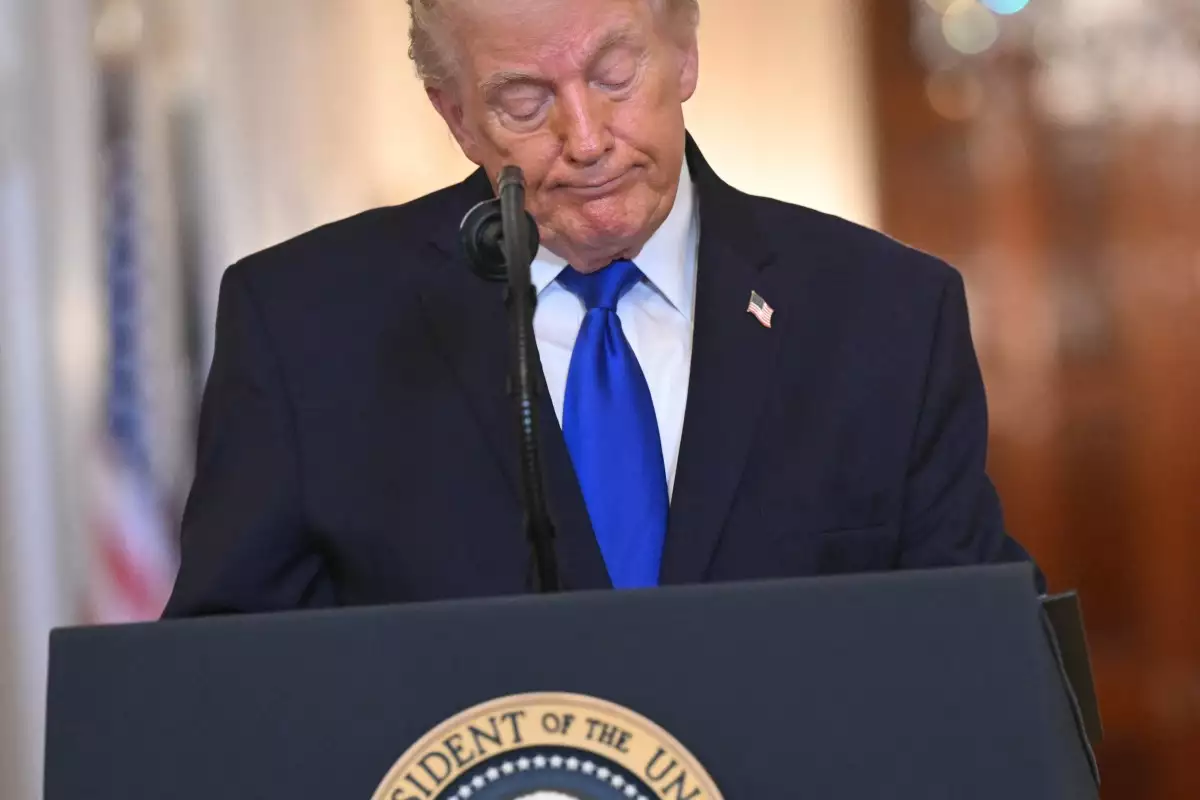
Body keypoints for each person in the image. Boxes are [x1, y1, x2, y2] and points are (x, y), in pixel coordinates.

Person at [163, 0, 1038, 617]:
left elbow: (976, 657)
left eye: (615, 74)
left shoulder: (884, 317)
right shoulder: (307, 327)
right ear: (457, 115)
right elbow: (232, 697)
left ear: (685, 49)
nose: (584, 140)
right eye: (524, 100)